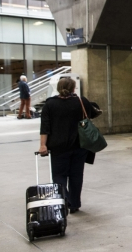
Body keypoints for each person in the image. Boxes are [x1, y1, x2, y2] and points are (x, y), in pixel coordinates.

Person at [38, 77, 99, 213]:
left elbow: (45, 127)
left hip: (58, 147)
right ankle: (75, 204)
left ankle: (64, 199)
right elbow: (94, 113)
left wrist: (43, 145)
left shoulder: (49, 104)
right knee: (76, 175)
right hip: (79, 145)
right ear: (73, 88)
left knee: (59, 175)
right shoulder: (81, 101)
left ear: (58, 88)